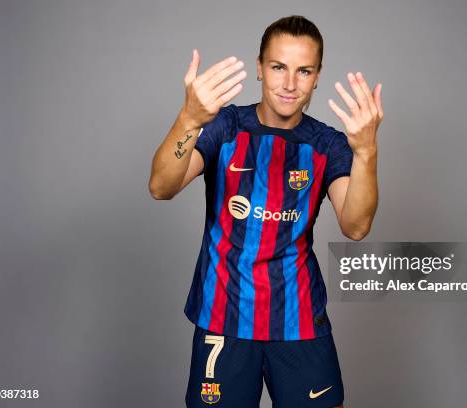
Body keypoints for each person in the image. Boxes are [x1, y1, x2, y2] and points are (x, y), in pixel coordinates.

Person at [149, 15, 382, 408]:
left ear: (317, 76)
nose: (290, 84)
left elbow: (356, 226)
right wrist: (189, 118)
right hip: (224, 320)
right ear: (259, 67)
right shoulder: (225, 126)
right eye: (278, 67)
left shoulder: (328, 144)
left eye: (303, 71)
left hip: (300, 321)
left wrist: (366, 152)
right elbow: (161, 186)